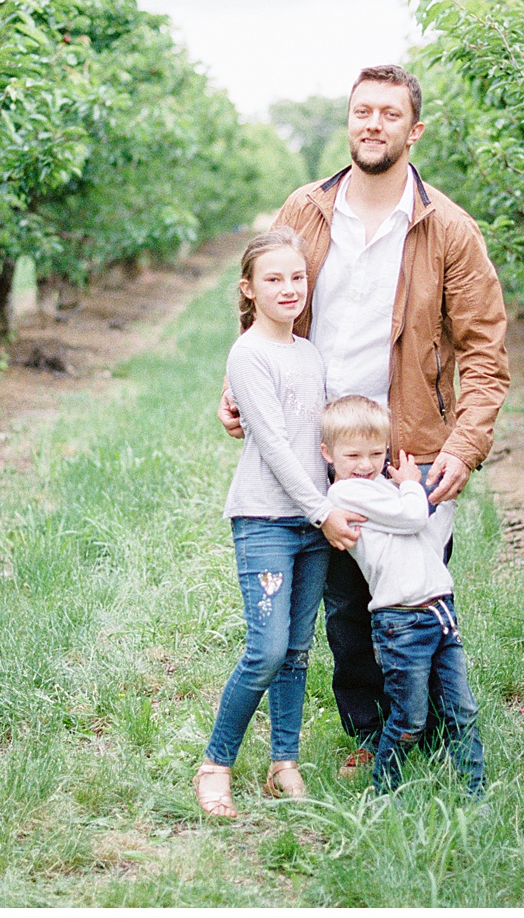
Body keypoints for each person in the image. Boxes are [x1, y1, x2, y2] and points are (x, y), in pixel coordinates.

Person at [219, 63, 508, 774]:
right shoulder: (306, 211)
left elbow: (485, 351)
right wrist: (238, 389)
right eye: (362, 111)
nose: (372, 124)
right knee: (346, 608)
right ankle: (372, 733)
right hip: (320, 444)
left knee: (414, 591)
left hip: (407, 447)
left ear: (414, 129)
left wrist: (463, 448)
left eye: (388, 113)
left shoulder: (447, 228)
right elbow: (260, 299)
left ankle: (438, 729)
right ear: (349, 121)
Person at [193, 226, 332, 820]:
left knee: (298, 649)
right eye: (273, 279)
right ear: (248, 289)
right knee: (266, 648)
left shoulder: (309, 353)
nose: (288, 288)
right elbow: (273, 445)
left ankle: (283, 764)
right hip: (268, 520)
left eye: (297, 277)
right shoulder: (247, 354)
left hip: (312, 524)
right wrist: (323, 509)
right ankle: (214, 764)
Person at [319, 395, 484, 796]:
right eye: (352, 454)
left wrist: (444, 499)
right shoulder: (346, 495)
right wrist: (413, 485)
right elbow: (412, 517)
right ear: (327, 454)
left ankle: (475, 793)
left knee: (462, 711)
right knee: (408, 719)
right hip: (402, 621)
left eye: (377, 452)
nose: (365, 464)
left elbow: (427, 536)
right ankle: (386, 791)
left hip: (439, 611)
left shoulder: (384, 490)